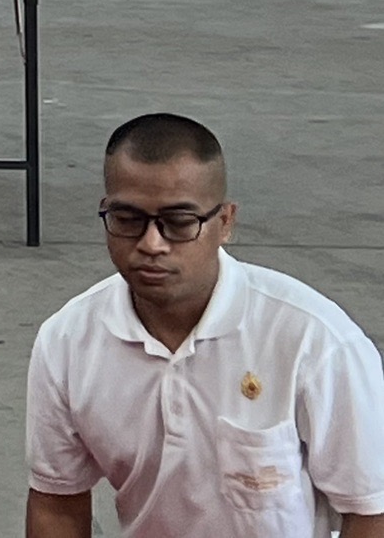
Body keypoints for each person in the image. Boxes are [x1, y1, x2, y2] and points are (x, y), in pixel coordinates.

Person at [25, 113, 384, 537]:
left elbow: (370, 512)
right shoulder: (67, 341)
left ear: (225, 222)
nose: (151, 243)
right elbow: (56, 502)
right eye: (127, 219)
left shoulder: (314, 340)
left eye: (179, 223)